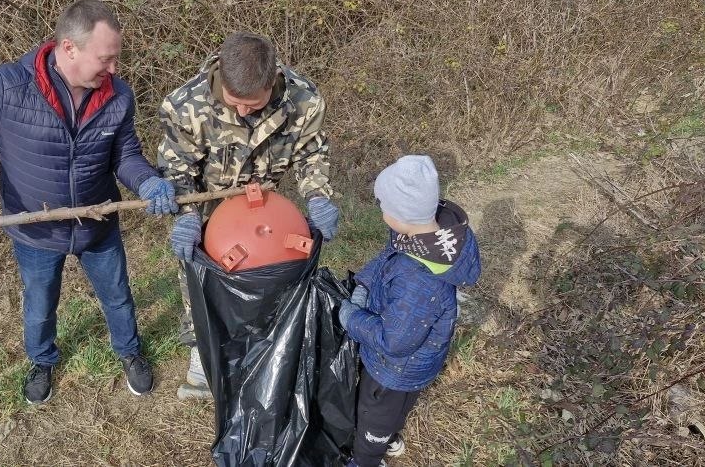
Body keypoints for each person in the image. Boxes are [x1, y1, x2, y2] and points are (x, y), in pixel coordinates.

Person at [0, 0, 178, 405]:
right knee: (39, 306)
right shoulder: (6, 88)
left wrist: (149, 183)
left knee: (118, 296)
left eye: (116, 59)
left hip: (98, 225)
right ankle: (42, 360)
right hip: (35, 230)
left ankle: (130, 352)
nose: (114, 70)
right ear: (69, 48)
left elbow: (125, 156)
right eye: (106, 59)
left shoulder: (118, 96)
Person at [157, 31, 339, 399]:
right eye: (234, 102)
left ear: (272, 82)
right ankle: (201, 352)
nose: (242, 112)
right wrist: (187, 213)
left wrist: (318, 196)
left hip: (265, 207)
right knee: (198, 273)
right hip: (207, 204)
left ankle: (259, 345)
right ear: (222, 76)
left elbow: (311, 154)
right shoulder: (184, 105)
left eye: (252, 105)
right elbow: (176, 169)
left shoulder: (303, 100)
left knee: (264, 271)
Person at [338, 155, 481, 466]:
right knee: (395, 408)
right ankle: (386, 436)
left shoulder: (418, 279)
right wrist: (364, 281)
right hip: (410, 363)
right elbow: (388, 256)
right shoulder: (427, 234)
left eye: (384, 206)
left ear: (402, 215)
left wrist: (352, 318)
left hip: (395, 368)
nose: (381, 211)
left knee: (375, 413)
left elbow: (396, 342)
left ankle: (368, 456)